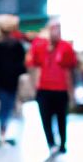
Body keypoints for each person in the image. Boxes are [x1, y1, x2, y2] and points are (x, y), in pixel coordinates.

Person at [27, 21, 79, 154]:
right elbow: (33, 66)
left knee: (62, 118)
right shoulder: (39, 45)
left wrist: (72, 93)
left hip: (61, 90)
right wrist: (34, 87)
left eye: (58, 30)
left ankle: (63, 143)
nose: (56, 33)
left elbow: (70, 70)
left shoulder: (66, 47)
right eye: (53, 29)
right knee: (46, 118)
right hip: (43, 89)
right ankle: (50, 143)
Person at [0, 20, 27, 146]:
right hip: (13, 80)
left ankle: (3, 132)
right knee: (10, 106)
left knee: (4, 107)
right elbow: (23, 64)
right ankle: (6, 132)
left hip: (1, 81)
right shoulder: (18, 45)